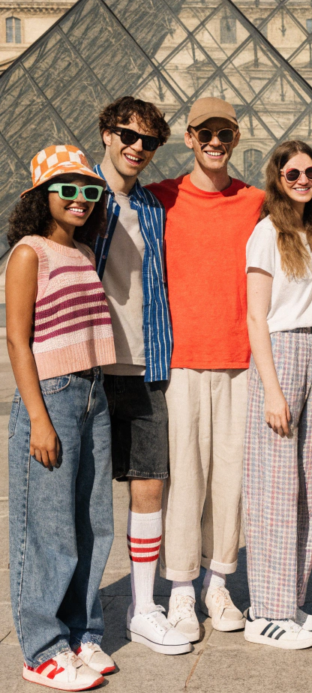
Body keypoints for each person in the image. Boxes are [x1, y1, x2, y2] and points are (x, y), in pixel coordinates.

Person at [146, 97, 265, 641]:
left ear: (235, 139)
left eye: (226, 133)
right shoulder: (158, 199)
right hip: (183, 361)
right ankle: (180, 589)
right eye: (206, 133)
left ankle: (218, 581)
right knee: (185, 482)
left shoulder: (256, 201)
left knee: (231, 482)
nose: (216, 141)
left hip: (240, 361)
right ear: (189, 138)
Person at [6, 146, 116, 690]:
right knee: (47, 528)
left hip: (93, 393)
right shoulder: (30, 252)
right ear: (41, 196)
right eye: (66, 188)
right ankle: (41, 649)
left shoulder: (84, 251)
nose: (79, 199)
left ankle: (80, 632)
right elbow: (17, 340)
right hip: (54, 397)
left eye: (88, 190)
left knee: (93, 522)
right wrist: (38, 417)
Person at [91, 97, 191, 656]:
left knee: (149, 484)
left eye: (149, 142)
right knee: (86, 493)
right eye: (127, 135)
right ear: (106, 133)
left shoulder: (154, 207)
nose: (136, 147)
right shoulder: (79, 194)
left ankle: (144, 606)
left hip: (148, 361)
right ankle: (79, 614)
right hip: (91, 365)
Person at [242, 141, 312, 649]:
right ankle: (266, 613)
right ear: (276, 176)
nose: (302, 178)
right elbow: (256, 316)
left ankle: (288, 598)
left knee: (307, 487)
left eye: (311, 170)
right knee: (274, 489)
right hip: (278, 353)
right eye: (292, 171)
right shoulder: (266, 232)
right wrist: (273, 390)